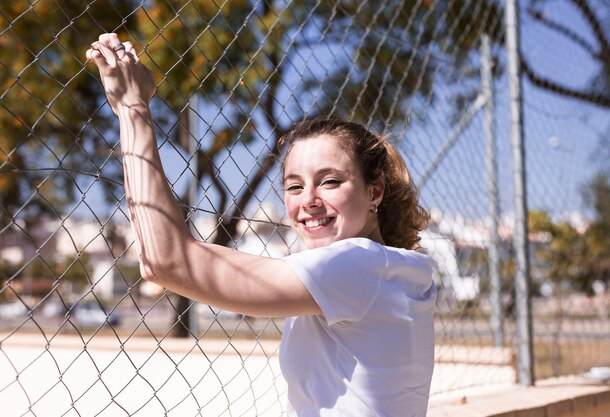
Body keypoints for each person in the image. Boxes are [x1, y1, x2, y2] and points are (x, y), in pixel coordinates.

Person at [86, 33, 437, 417]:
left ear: (375, 192)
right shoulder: (393, 269)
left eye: (331, 181)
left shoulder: (358, 265)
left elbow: (167, 262)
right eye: (294, 185)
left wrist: (132, 107)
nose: (309, 201)